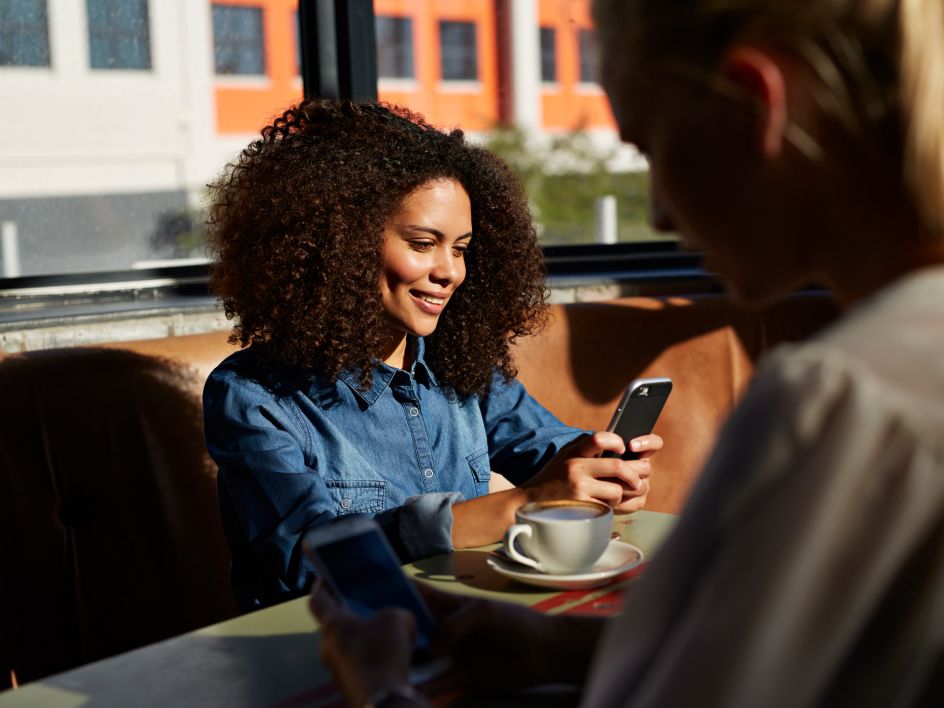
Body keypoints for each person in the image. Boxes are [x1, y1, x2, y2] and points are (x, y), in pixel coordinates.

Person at [309, 0, 944, 705]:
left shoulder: (836, 399)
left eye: (647, 146)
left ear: (756, 107)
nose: (659, 213)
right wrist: (557, 645)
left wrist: (380, 690)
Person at [203, 100, 662, 612]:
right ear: (341, 246)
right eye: (423, 244)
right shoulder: (254, 396)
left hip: (458, 629)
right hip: (325, 652)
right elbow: (308, 560)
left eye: (461, 248)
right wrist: (522, 503)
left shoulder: (457, 367)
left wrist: (598, 468)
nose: (450, 272)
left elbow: (546, 445)